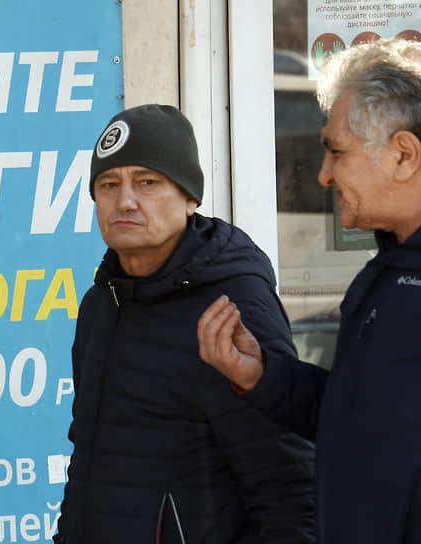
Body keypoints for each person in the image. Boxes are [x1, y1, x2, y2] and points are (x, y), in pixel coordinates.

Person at [53, 105, 315, 543]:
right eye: (109, 184)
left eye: (148, 182)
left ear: (190, 197)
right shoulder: (102, 303)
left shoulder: (231, 301)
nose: (125, 201)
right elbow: (88, 460)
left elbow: (289, 487)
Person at [198, 38, 421, 543]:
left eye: (337, 152)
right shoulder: (385, 275)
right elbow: (357, 420)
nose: (322, 175)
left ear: (404, 155)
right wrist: (260, 375)